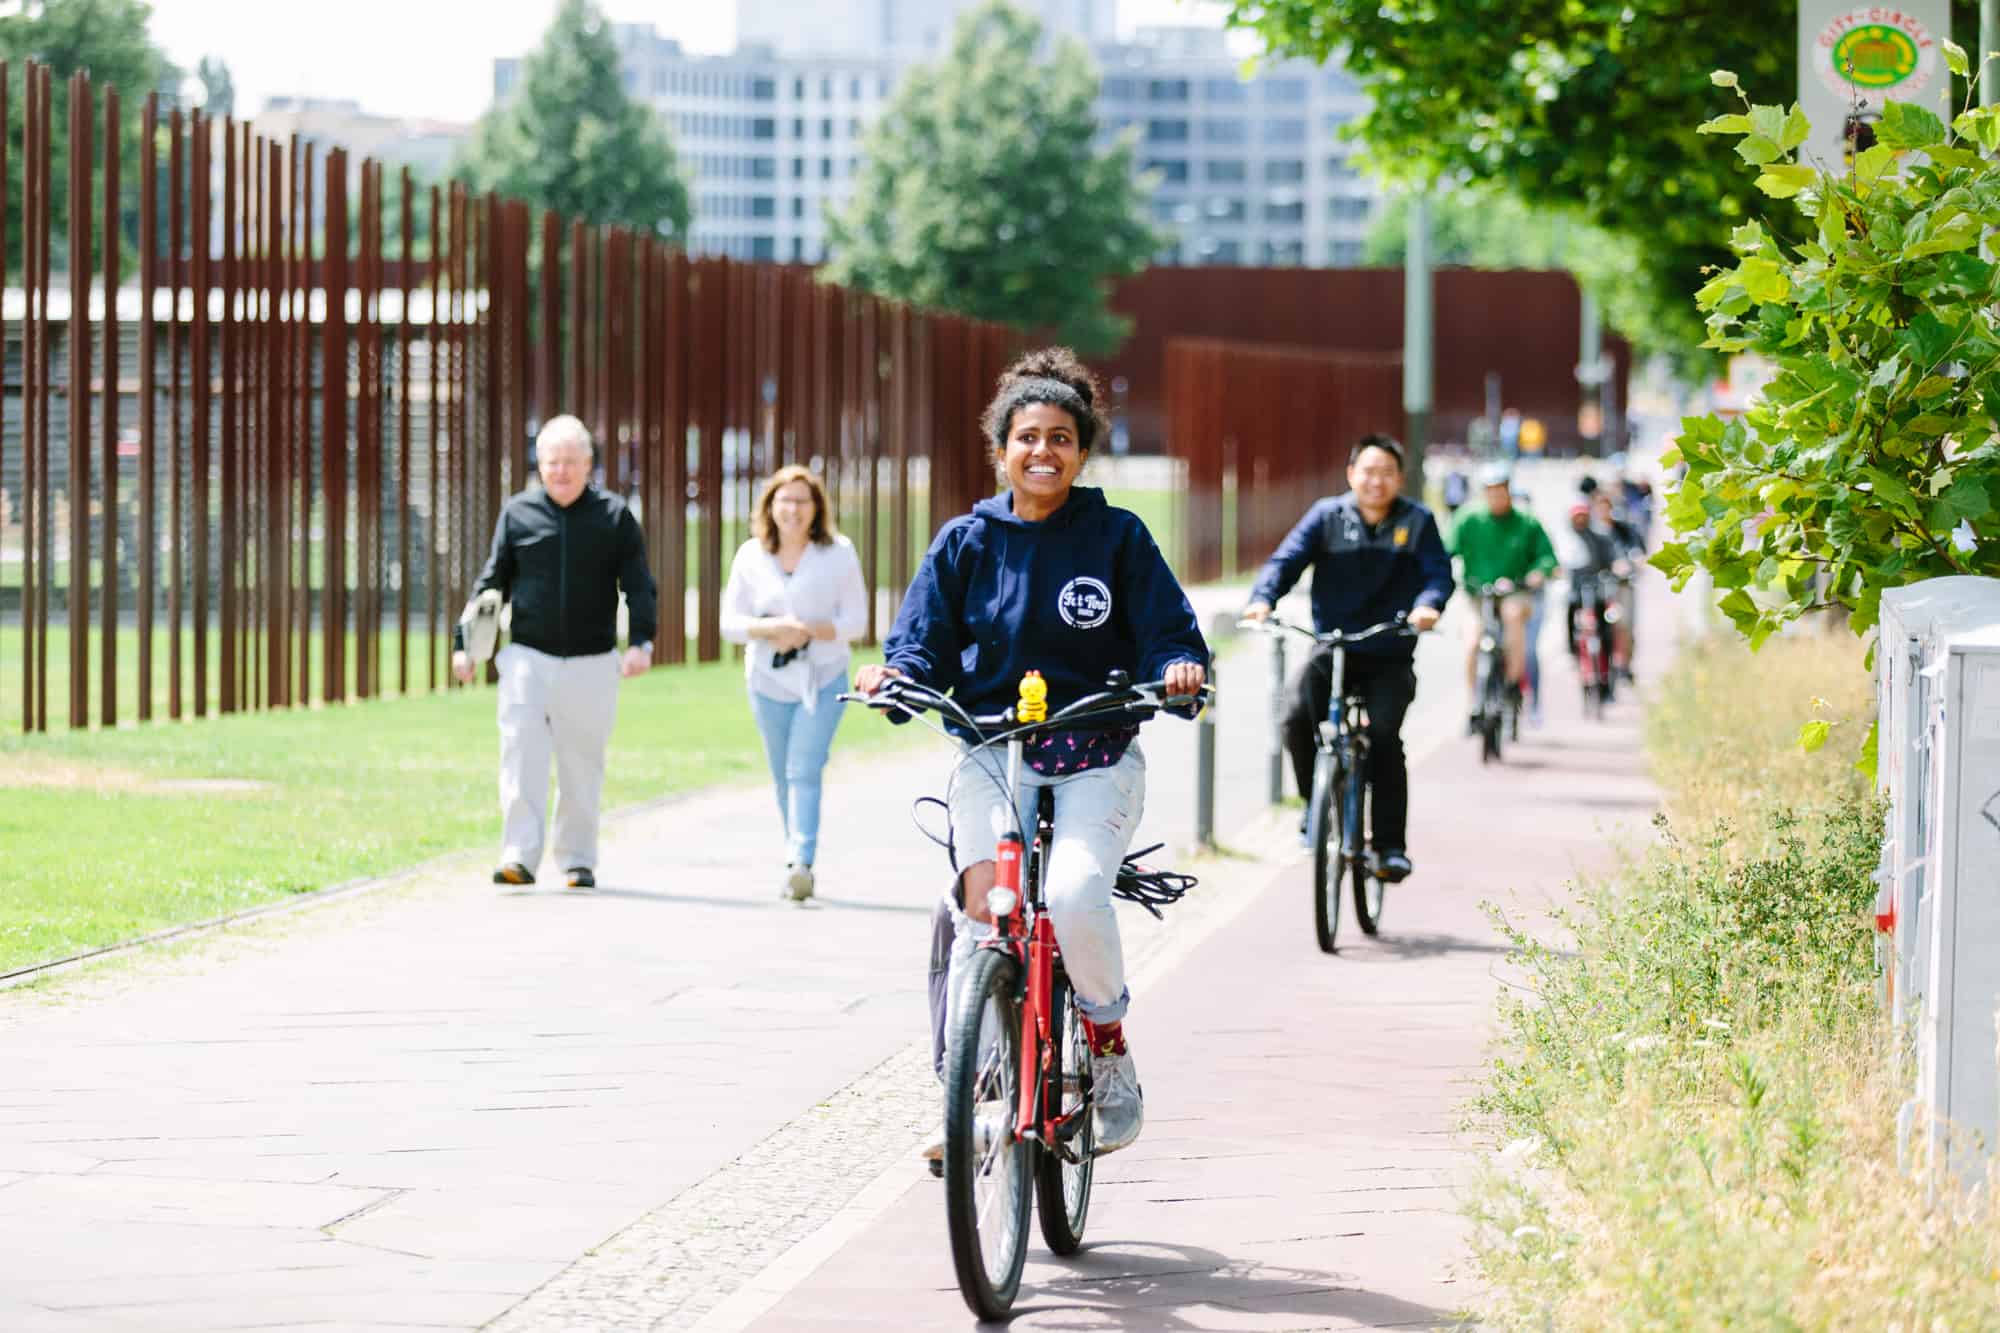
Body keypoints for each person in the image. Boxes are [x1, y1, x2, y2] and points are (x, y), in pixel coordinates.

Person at [856, 347, 1208, 1159]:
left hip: (1096, 754)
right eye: (1026, 437)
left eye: (1060, 438)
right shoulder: (965, 541)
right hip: (992, 751)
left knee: (1078, 893)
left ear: (1082, 451)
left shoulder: (1119, 537)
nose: (1042, 451)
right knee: (983, 912)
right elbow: (919, 642)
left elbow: (1168, 634)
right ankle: (974, 1089)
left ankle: (1110, 1049)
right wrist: (897, 676)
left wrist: (1178, 668)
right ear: (1000, 448)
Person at [454, 415, 657, 889]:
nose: (561, 471)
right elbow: (491, 583)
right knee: (520, 756)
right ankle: (518, 857)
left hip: (592, 660)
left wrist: (641, 642)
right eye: (552, 462)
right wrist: (465, 646)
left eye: (570, 462)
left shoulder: (614, 516)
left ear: (589, 465)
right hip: (527, 657)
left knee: (581, 764)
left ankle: (577, 860)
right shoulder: (518, 513)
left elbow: (639, 586)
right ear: (539, 465)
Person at [1242, 434, 1452, 883]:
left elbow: (1438, 575)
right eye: (1368, 471)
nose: (1376, 481)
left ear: (1400, 478)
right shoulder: (1326, 516)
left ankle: (1390, 846)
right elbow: (1286, 561)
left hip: (1389, 652)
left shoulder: (1418, 522)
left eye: (1386, 473)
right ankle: (1315, 809)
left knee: (1382, 736)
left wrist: (1428, 606)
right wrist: (1263, 599)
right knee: (1296, 716)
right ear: (1351, 475)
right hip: (1332, 647)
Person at [720, 465, 869, 903]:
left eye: (802, 500)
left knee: (804, 768)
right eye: (785, 500)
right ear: (770, 506)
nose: (793, 509)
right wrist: (771, 629)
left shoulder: (839, 553)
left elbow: (855, 622)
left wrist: (809, 629)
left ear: (816, 508)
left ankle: (800, 861)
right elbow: (729, 624)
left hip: (822, 677)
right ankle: (795, 854)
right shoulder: (751, 555)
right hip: (767, 679)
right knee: (782, 773)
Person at [1446, 463, 1556, 724]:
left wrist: (1537, 573)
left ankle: (1511, 683)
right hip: (1478, 593)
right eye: (1490, 492)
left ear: (1508, 491)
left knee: (1512, 616)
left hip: (1514, 591)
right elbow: (1445, 550)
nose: (1495, 497)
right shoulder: (1468, 519)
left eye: (1500, 491)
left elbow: (1547, 557)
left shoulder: (1526, 521)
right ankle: (1473, 703)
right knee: (1472, 641)